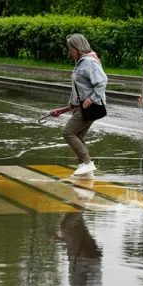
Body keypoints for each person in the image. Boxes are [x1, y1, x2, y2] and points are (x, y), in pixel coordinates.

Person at [50, 33, 108, 178]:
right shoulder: (81, 62)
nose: (69, 52)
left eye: (70, 48)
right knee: (77, 135)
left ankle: (87, 163)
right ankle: (86, 170)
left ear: (77, 48)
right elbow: (78, 90)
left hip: (89, 107)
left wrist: (91, 99)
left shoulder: (89, 62)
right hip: (81, 107)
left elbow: (102, 81)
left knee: (68, 132)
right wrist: (64, 109)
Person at [53, 212, 103, 286]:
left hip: (81, 251)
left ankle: (79, 200)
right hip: (86, 252)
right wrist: (88, 258)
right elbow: (95, 277)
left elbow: (74, 265)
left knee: (76, 224)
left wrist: (61, 241)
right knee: (66, 226)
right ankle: (83, 198)